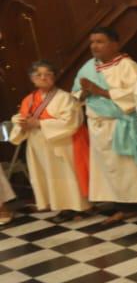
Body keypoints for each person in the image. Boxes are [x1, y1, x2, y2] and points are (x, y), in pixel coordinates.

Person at [73, 27, 137, 224]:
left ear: (114, 44)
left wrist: (100, 91)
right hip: (98, 124)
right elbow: (76, 93)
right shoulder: (88, 67)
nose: (94, 46)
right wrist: (84, 93)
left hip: (121, 123)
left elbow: (136, 95)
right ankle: (124, 207)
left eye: (100, 42)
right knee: (111, 170)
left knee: (132, 169)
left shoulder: (127, 65)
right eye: (92, 42)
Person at [10, 61, 89, 220]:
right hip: (37, 145)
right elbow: (21, 120)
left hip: (60, 143)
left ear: (54, 77)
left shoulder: (64, 97)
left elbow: (71, 122)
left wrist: (40, 123)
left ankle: (79, 207)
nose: (43, 77)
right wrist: (22, 125)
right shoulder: (28, 100)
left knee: (66, 175)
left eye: (48, 74)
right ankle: (62, 207)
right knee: (49, 177)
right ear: (32, 79)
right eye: (38, 75)